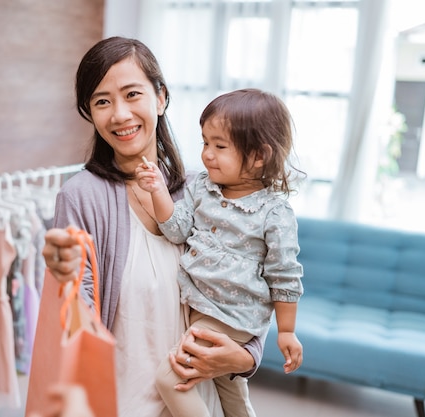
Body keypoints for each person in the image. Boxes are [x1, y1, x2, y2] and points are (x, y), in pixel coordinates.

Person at [27, 37, 264, 417]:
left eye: (131, 94)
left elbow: (247, 281)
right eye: (102, 101)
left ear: (161, 98)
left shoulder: (201, 192)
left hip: (197, 404)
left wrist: (246, 355)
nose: (119, 114)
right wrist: (63, 282)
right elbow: (73, 318)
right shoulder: (80, 197)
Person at [135, 88, 304, 417]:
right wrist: (157, 190)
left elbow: (284, 276)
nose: (207, 154)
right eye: (205, 143)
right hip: (201, 308)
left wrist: (287, 331)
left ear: (258, 156)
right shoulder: (201, 186)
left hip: (232, 315)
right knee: (230, 389)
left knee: (170, 379)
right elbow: (177, 229)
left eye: (219, 146)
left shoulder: (274, 213)